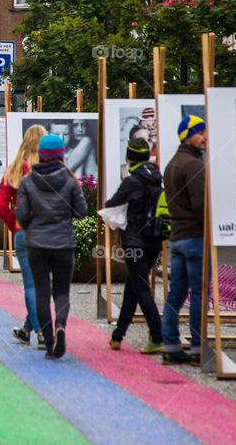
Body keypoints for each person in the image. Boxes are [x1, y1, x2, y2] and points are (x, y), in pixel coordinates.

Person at [15, 134, 88, 359]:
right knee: (61, 292)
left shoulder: (28, 181)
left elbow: (20, 214)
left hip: (36, 243)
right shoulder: (70, 180)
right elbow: (81, 212)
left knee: (42, 293)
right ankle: (61, 326)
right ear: (61, 154)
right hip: (63, 242)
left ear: (41, 154)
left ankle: (48, 342)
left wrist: (32, 225)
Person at [105, 138, 164, 354]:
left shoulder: (131, 181)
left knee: (140, 289)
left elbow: (112, 204)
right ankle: (117, 336)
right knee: (132, 288)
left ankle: (158, 336)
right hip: (154, 242)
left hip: (134, 242)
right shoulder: (156, 179)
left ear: (129, 158)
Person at [0, 124, 47, 350]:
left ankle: (35, 330)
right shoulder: (49, 168)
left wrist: (14, 224)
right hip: (47, 231)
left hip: (23, 231)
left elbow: (0, 205)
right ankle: (36, 329)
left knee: (31, 284)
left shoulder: (15, 168)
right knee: (42, 283)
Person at [161, 115, 207, 365]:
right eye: (201, 132)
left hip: (177, 237)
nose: (205, 137)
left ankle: (169, 343)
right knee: (199, 293)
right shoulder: (192, 165)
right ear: (189, 135)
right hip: (194, 237)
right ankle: (198, 347)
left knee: (175, 293)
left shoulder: (172, 164)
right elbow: (201, 204)